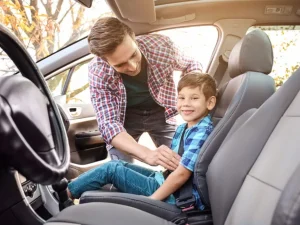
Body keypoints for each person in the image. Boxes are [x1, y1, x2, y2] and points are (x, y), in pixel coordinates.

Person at [67, 72, 217, 209]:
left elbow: (182, 174)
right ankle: (72, 187)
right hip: (163, 179)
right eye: (182, 98)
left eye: (194, 98)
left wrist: (152, 201)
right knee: (116, 164)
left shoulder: (201, 132)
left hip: (177, 195)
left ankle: (65, 193)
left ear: (210, 103)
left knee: (111, 170)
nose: (186, 103)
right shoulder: (185, 127)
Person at [87, 17, 202, 170]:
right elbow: (109, 125)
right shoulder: (98, 71)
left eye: (133, 55)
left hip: (161, 113)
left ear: (134, 38)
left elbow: (191, 64)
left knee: (183, 164)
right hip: (125, 120)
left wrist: (187, 96)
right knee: (121, 171)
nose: (133, 66)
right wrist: (147, 154)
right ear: (105, 61)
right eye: (121, 64)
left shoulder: (161, 47)